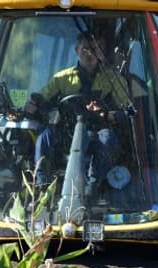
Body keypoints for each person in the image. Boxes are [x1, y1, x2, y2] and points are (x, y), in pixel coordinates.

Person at [24, 32, 130, 188]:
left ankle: (92, 186)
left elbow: (127, 111)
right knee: (45, 135)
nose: (90, 53)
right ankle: (41, 183)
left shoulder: (114, 80)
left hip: (97, 135)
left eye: (95, 49)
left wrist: (109, 114)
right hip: (67, 134)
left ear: (101, 51)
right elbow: (41, 99)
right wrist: (32, 105)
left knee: (108, 138)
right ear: (76, 50)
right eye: (86, 48)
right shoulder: (61, 78)